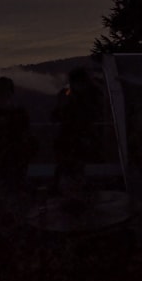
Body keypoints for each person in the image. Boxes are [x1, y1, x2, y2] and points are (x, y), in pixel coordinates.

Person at [50, 67, 103, 195]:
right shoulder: (69, 95)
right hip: (70, 140)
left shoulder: (91, 96)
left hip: (79, 140)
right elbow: (56, 116)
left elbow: (94, 114)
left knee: (73, 169)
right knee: (69, 168)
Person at [0, 76, 36, 192]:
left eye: (3, 92)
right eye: (0, 92)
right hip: (7, 163)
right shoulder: (18, 115)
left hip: (8, 163)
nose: (2, 96)